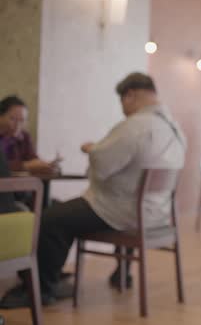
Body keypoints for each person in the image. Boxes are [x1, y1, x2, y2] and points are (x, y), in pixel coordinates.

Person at [0, 72, 186, 308]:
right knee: (62, 211)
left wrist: (92, 149)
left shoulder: (135, 125)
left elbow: (101, 166)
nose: (123, 110)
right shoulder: (175, 129)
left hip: (120, 210)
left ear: (130, 95)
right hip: (156, 213)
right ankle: (117, 273)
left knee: (49, 220)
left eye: (122, 103)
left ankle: (42, 289)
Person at [0, 96, 61, 174]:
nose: (18, 125)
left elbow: (32, 159)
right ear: (1, 116)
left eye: (22, 120)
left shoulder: (23, 137)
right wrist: (24, 166)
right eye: (13, 119)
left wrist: (46, 165)